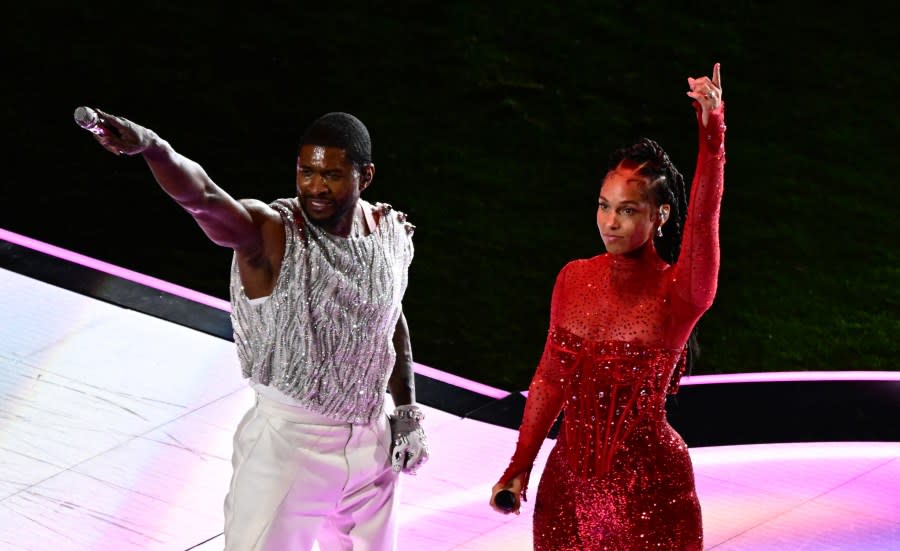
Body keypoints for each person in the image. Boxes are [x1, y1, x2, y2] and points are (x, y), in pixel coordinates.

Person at [78, 109, 428, 551]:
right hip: (289, 445)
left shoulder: (389, 232)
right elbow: (202, 197)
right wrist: (154, 148)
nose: (315, 188)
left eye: (332, 175)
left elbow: (388, 315)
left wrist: (408, 412)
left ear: (366, 175)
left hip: (372, 444)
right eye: (306, 172)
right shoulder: (270, 234)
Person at [489, 63, 726, 550]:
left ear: (660, 215)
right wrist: (519, 467)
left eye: (627, 209)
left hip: (650, 496)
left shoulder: (681, 292)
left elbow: (703, 220)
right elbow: (550, 379)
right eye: (603, 205)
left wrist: (712, 139)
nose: (610, 222)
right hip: (567, 492)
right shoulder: (574, 278)